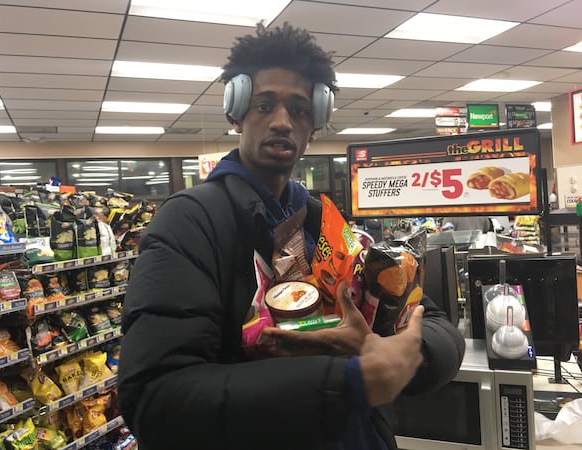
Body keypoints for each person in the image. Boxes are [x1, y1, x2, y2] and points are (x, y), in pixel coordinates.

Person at [118, 22, 465, 450]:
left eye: (299, 109)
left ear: (315, 124)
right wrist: (350, 378)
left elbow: (430, 321)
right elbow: (154, 398)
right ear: (236, 112)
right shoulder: (191, 223)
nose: (282, 122)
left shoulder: (323, 222)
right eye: (265, 105)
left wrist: (410, 352)